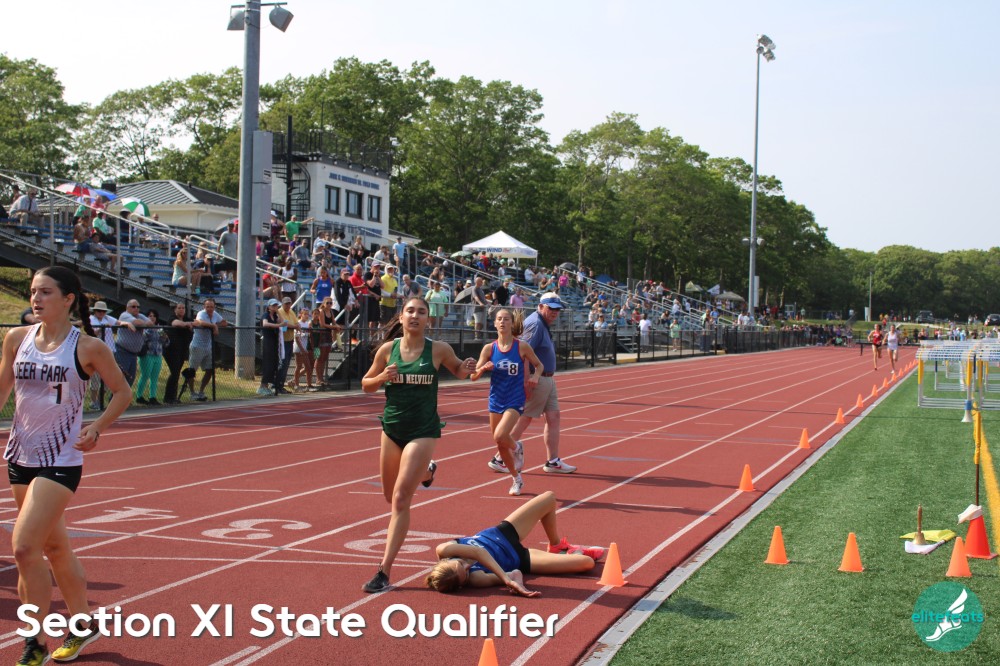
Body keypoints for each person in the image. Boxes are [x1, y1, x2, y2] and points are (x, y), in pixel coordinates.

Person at [1, 266, 130, 665]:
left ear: (68, 299)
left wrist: (97, 426)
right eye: (33, 291)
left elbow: (122, 392)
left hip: (60, 460)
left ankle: (35, 641)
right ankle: (83, 623)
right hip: (20, 456)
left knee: (24, 548)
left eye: (45, 292)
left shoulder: (88, 348)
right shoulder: (17, 338)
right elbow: (2, 387)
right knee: (55, 548)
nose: (35, 298)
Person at [360, 296, 477, 593]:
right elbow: (366, 385)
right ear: (401, 317)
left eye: (421, 312)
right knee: (389, 495)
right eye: (410, 311)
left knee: (401, 500)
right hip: (392, 429)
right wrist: (382, 377)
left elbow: (460, 371)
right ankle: (427, 471)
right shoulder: (388, 350)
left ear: (428, 319)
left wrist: (468, 366)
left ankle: (384, 571)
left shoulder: (438, 349)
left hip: (423, 430)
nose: (415, 315)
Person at [424, 491, 603, 596]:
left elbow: (479, 553)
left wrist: (506, 581)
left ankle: (556, 545)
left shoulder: (444, 549)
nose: (468, 566)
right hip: (519, 558)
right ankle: (566, 554)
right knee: (586, 563)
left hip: (502, 534)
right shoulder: (476, 579)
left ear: (445, 560)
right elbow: (514, 573)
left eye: (461, 564)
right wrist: (513, 580)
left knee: (549, 498)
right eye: (465, 574)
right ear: (463, 584)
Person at [487, 292, 576, 474]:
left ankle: (553, 461)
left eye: (557, 309)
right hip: (537, 379)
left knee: (553, 417)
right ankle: (500, 458)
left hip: (547, 378)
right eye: (551, 308)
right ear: (540, 306)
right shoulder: (535, 324)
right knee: (525, 418)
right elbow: (522, 353)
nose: (554, 312)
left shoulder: (541, 323)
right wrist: (527, 381)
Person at [471, 309, 544, 496]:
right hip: (496, 398)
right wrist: (483, 369)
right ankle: (516, 479)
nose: (502, 322)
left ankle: (517, 447)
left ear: (512, 323)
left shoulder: (521, 347)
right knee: (500, 444)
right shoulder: (489, 349)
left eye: (506, 319)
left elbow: (539, 365)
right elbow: (473, 376)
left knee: (500, 435)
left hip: (515, 398)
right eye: (499, 319)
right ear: (495, 324)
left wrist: (535, 376)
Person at [189, 298, 227, 401]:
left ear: (214, 307)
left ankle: (201, 391)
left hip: (208, 346)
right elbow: (201, 322)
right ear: (204, 307)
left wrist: (216, 325)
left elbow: (224, 322)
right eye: (208, 307)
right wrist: (213, 326)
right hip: (197, 346)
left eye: (211, 307)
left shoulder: (215, 314)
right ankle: (192, 392)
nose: (210, 309)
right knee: (192, 370)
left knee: (210, 370)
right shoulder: (201, 313)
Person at [162, 303, 195, 404]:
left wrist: (190, 323)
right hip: (171, 350)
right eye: (179, 308)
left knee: (176, 373)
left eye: (183, 308)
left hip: (182, 350)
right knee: (175, 372)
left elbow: (197, 322)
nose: (181, 310)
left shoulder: (186, 319)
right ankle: (168, 397)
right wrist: (187, 324)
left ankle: (173, 396)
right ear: (175, 310)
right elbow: (175, 323)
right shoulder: (172, 318)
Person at [114, 300, 150, 387]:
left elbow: (151, 323)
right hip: (123, 352)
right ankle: (115, 395)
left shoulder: (140, 316)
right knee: (120, 378)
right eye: (133, 306)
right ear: (127, 307)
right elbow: (137, 323)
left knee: (130, 379)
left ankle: (125, 396)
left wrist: (141, 324)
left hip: (134, 354)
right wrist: (142, 324)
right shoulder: (125, 315)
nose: (136, 308)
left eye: (138, 307)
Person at [136, 309, 167, 405]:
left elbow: (166, 342)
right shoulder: (145, 328)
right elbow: (142, 339)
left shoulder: (160, 329)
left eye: (154, 316)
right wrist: (150, 329)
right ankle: (139, 396)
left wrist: (165, 338)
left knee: (154, 377)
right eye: (150, 316)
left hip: (158, 354)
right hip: (147, 354)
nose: (152, 318)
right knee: (145, 375)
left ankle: (152, 397)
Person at [258, 299, 283, 396]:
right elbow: (265, 324)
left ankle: (268, 385)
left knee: (273, 364)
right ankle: (262, 386)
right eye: (273, 306)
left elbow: (282, 321)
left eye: (276, 305)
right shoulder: (266, 315)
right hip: (267, 341)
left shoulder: (275, 316)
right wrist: (278, 325)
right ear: (268, 307)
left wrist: (278, 312)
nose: (275, 307)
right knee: (267, 364)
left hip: (274, 342)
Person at [276, 297, 297, 393]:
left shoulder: (292, 312)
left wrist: (296, 325)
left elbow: (296, 323)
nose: (288, 305)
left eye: (289, 303)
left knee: (287, 364)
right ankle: (277, 385)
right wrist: (294, 326)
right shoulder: (280, 312)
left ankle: (281, 385)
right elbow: (285, 324)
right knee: (282, 364)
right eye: (286, 304)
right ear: (282, 304)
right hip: (282, 342)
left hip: (290, 341)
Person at [292, 307, 316, 391]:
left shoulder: (307, 324)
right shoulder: (298, 323)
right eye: (305, 314)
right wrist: (302, 349)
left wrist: (310, 330)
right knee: (299, 366)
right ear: (300, 314)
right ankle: (296, 385)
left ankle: (296, 382)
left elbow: (308, 336)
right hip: (298, 348)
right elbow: (297, 338)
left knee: (308, 367)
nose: (306, 316)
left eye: (307, 314)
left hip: (304, 348)